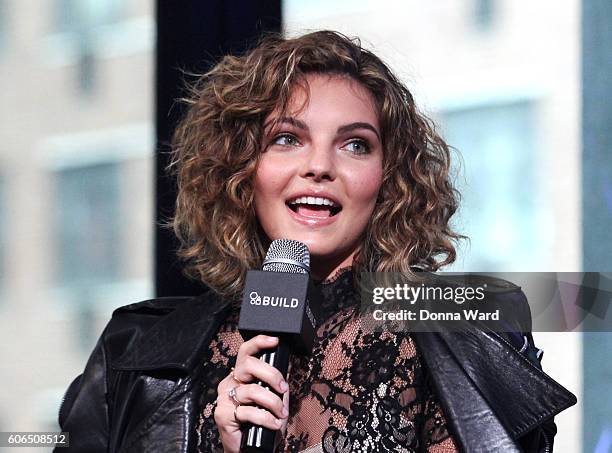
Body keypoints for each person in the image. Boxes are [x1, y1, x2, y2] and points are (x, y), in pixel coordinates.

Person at [56, 31, 576, 452]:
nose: (319, 167)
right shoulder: (132, 356)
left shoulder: (464, 341)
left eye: (355, 145)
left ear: (389, 180)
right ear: (241, 169)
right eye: (287, 138)